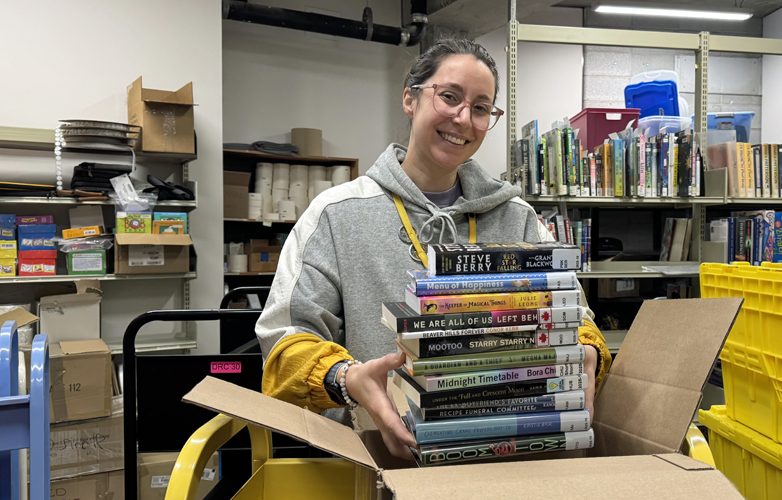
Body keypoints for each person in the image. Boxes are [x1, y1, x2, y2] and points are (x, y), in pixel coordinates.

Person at [256, 38, 612, 461]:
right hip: (378, 460)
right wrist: (347, 378)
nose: (463, 118)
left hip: (508, 456)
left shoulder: (518, 219)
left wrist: (586, 351)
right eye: (449, 97)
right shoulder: (336, 215)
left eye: (481, 108)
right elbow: (286, 341)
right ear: (410, 98)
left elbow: (578, 319)